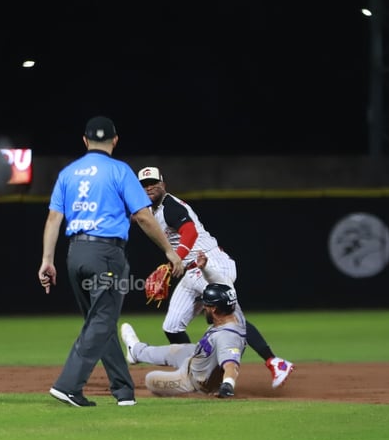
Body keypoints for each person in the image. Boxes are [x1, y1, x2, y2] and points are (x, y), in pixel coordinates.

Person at [38, 117, 184, 407]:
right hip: (105, 254)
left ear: (84, 140)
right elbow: (143, 216)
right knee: (102, 321)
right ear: (115, 140)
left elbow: (54, 218)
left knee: (99, 323)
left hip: (74, 255)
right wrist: (169, 250)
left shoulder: (69, 173)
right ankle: (68, 385)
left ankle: (123, 392)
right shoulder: (119, 171)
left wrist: (47, 260)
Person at [120, 166, 294, 388]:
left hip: (211, 263)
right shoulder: (146, 210)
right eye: (144, 185)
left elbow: (190, 232)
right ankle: (199, 372)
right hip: (191, 271)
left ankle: (274, 362)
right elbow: (132, 216)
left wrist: (174, 259)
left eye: (153, 182)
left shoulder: (169, 206)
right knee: (172, 326)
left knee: (229, 314)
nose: (149, 187)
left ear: (163, 184)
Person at [121, 283, 246, 398]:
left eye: (206, 304)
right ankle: (136, 351)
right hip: (198, 356)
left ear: (214, 308)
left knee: (150, 380)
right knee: (174, 350)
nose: (203, 308)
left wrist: (227, 385)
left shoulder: (227, 336)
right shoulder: (232, 314)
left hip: (194, 381)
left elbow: (231, 365)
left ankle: (192, 392)